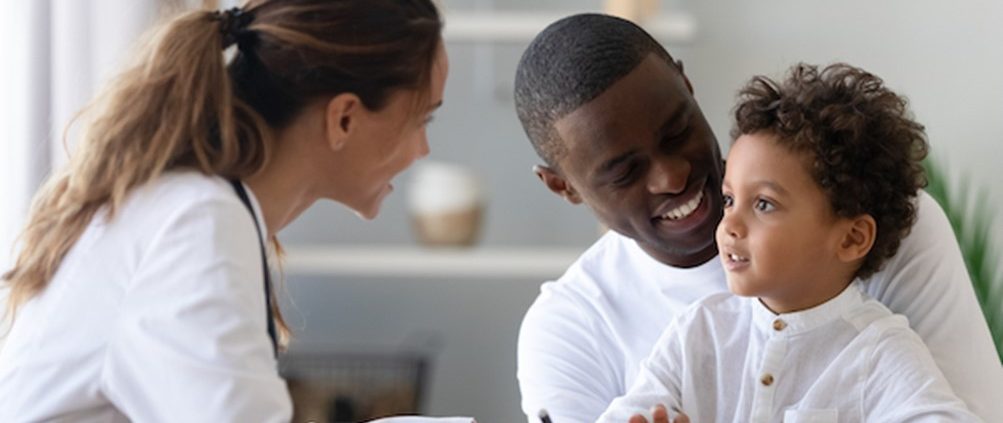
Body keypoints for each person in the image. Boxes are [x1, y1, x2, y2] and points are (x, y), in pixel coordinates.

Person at [513, 13, 1003, 423]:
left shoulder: (880, 269)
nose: (673, 176)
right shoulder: (671, 331)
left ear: (687, 87)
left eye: (677, 132)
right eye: (625, 172)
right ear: (563, 186)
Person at [0, 0, 448, 421]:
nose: (424, 149)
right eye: (422, 119)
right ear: (344, 118)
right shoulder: (196, 223)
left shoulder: (194, 208)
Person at [598, 62, 979, 422]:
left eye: (764, 204)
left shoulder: (879, 350)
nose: (730, 224)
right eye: (729, 200)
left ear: (851, 238)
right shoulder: (700, 330)